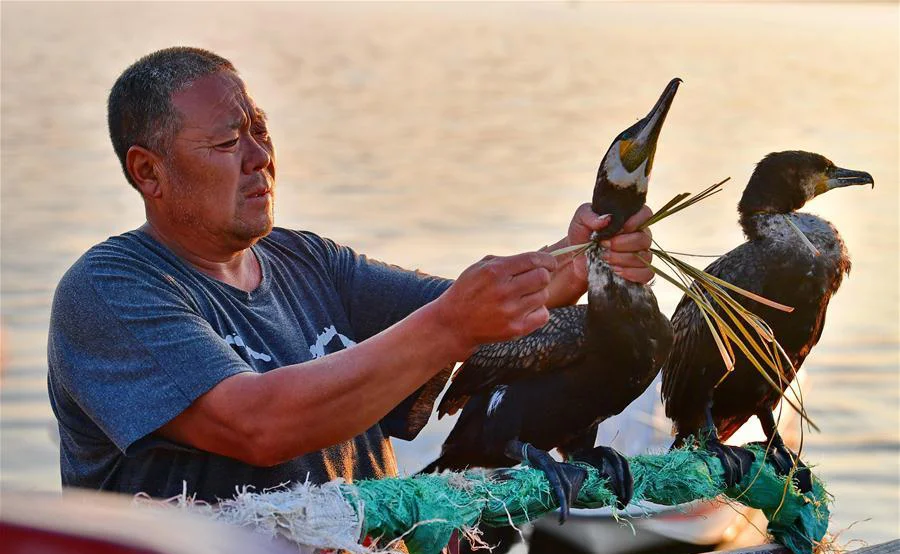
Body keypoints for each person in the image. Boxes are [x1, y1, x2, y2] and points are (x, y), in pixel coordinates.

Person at [47, 47, 655, 502]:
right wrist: (451, 327)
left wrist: (582, 257)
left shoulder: (308, 261)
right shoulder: (108, 292)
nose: (261, 158)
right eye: (228, 142)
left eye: (259, 129)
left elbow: (487, 309)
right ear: (148, 173)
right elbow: (257, 424)